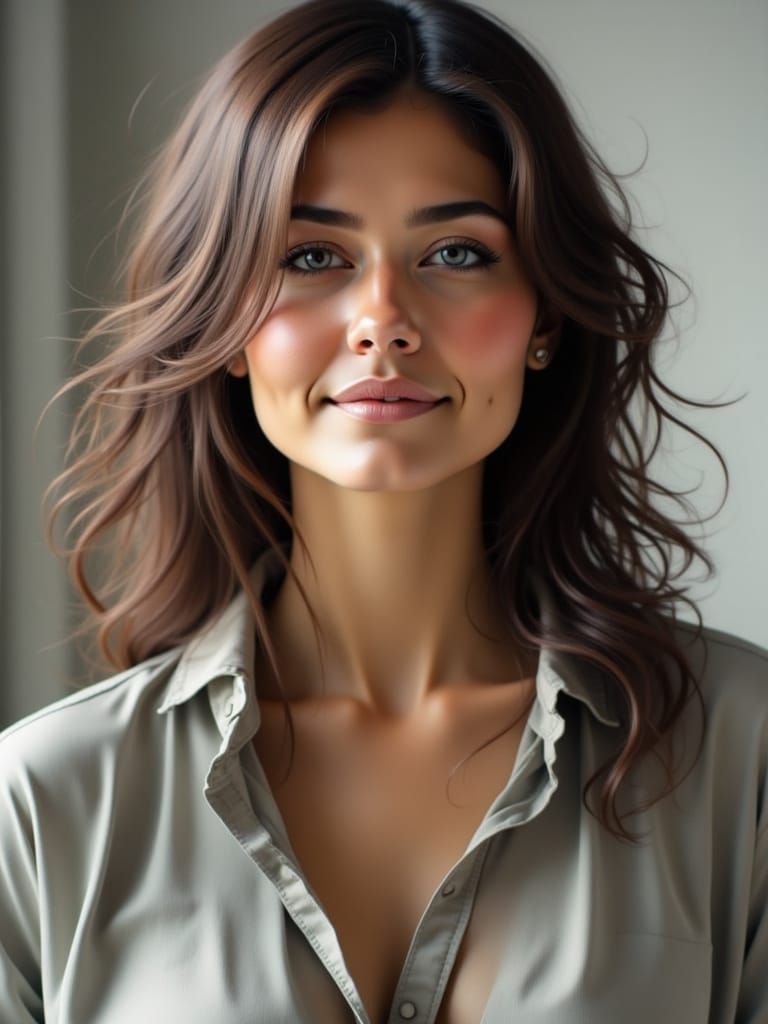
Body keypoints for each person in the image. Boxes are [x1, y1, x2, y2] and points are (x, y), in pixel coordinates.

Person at [1, 0, 766, 1020]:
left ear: (544, 316)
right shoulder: (45, 797)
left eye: (456, 253)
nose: (383, 323)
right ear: (225, 323)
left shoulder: (740, 755)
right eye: (313, 257)